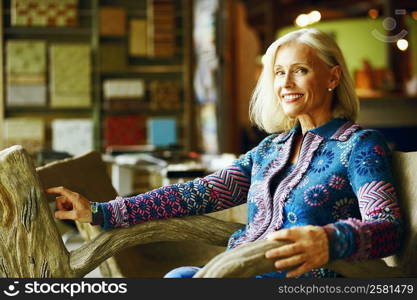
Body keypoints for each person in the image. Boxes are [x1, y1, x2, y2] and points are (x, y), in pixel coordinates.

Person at [47, 28, 403, 278]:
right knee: (179, 278)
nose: (285, 83)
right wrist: (99, 211)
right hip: (235, 272)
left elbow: (388, 228)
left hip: (305, 280)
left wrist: (328, 240)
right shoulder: (270, 150)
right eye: (279, 73)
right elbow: (198, 194)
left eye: (301, 70)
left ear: (332, 77)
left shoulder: (358, 145)